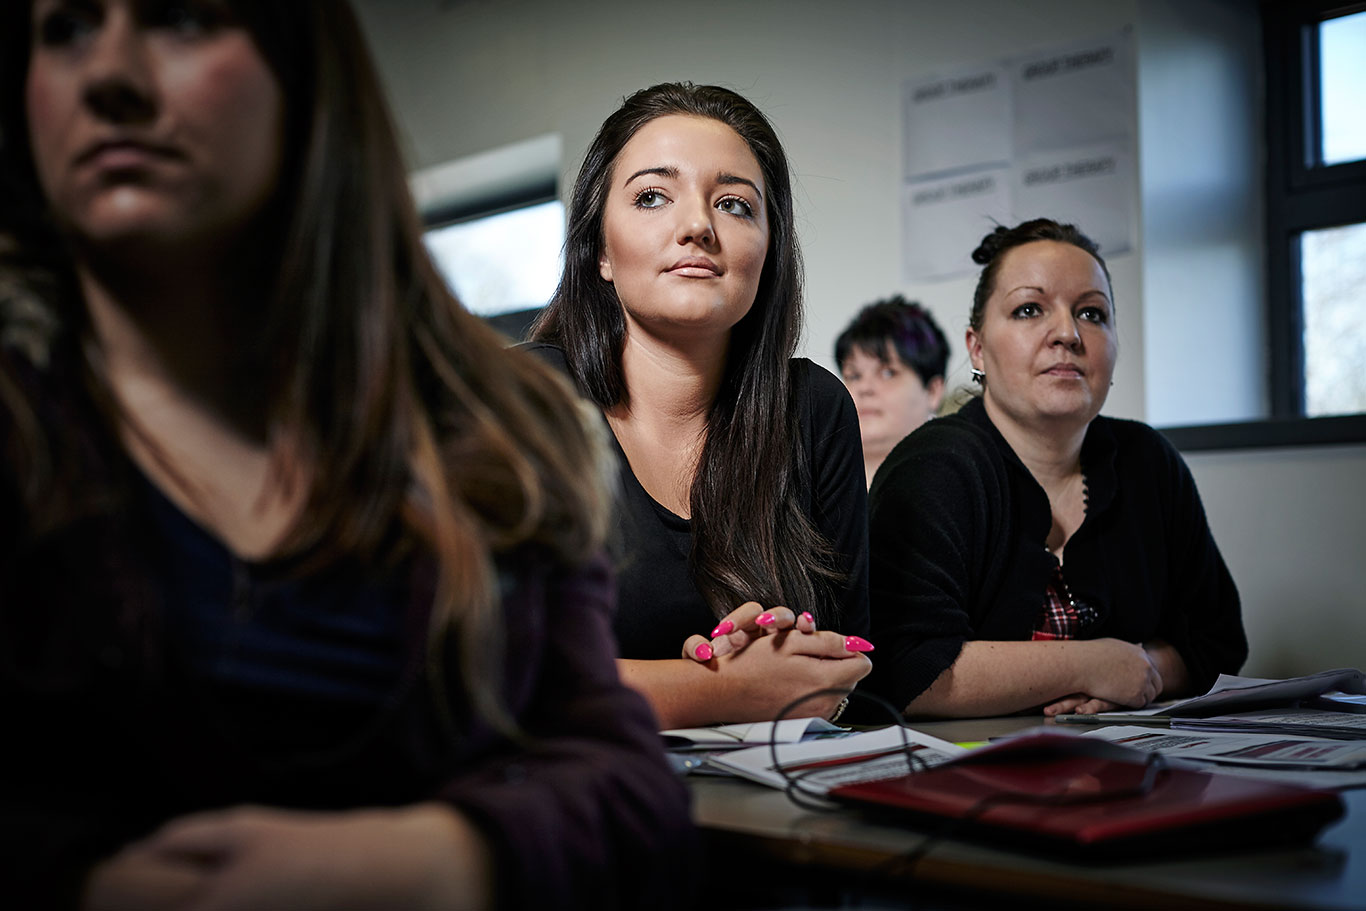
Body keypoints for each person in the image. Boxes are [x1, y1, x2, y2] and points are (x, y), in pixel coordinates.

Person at [0, 2, 692, 908]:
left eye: (181, 18)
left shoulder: (499, 444)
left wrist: (446, 858)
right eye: (66, 29)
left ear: (304, 76)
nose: (110, 74)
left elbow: (624, 784)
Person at [528, 83, 873, 729]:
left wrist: (788, 659)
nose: (697, 226)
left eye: (736, 204)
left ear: (768, 251)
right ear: (600, 250)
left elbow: (852, 663)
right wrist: (719, 688)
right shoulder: (522, 399)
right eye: (653, 196)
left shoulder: (814, 409)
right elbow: (474, 674)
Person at [866, 219, 1246, 718]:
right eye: (1029, 309)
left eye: (1092, 313)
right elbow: (902, 669)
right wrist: (1088, 665)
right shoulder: (933, 470)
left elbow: (1217, 642)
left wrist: (1137, 673)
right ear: (977, 347)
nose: (1067, 333)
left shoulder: (1150, 462)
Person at [835, 295, 949, 487]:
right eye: (854, 376)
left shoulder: (957, 479)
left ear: (932, 392)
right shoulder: (812, 483)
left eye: (888, 373)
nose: (864, 388)